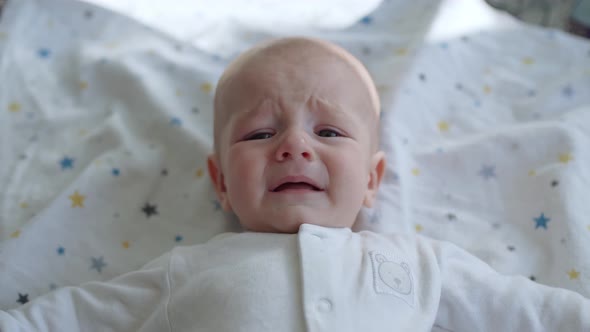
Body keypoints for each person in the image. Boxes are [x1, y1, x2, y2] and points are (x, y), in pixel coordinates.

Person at [1, 37, 589, 332]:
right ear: (222, 183)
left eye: (328, 130)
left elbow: (528, 311)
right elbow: (71, 316)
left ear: (372, 181)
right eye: (258, 135)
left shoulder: (418, 262)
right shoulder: (188, 270)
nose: (294, 146)